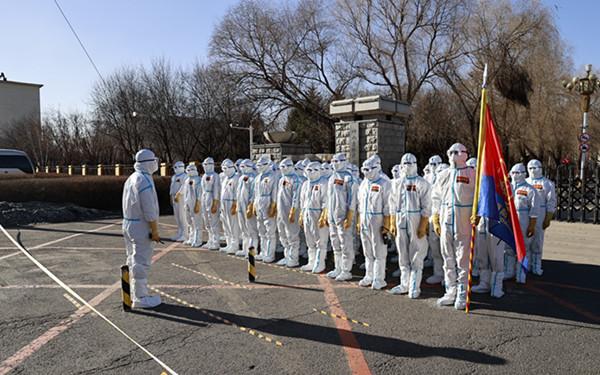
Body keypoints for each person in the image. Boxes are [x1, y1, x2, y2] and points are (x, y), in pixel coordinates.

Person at [431, 143, 476, 309]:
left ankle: (462, 294)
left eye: (458, 152)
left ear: (465, 154)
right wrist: (435, 216)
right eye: (451, 152)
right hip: (446, 221)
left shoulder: (472, 173)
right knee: (447, 258)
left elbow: (480, 196)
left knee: (462, 259)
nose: (454, 155)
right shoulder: (444, 174)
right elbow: (435, 196)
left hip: (463, 222)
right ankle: (450, 291)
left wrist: (476, 212)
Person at [122, 149, 162, 308]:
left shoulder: (133, 178)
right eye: (154, 160)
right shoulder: (143, 180)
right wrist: (155, 229)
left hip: (129, 223)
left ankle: (133, 291)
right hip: (141, 225)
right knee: (141, 260)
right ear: (148, 163)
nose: (156, 163)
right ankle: (140, 297)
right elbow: (149, 208)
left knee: (132, 258)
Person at [389, 153, 431, 298]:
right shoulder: (396, 183)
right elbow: (392, 203)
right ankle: (404, 284)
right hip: (401, 218)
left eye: (410, 163)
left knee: (417, 252)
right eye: (404, 163)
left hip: (415, 218)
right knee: (402, 252)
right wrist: (393, 222)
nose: (407, 166)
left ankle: (414, 286)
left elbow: (427, 205)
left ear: (415, 164)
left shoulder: (422, 183)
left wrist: (423, 224)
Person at [357, 156, 392, 290]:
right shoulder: (364, 183)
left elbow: (388, 205)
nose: (366, 172)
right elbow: (360, 203)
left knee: (379, 251)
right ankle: (369, 275)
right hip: (365, 220)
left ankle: (379, 278)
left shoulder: (384, 183)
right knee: (367, 250)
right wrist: (360, 220)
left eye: (369, 169)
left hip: (378, 221)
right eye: (364, 169)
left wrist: (387, 224)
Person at [325, 153, 358, 281]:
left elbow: (352, 199)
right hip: (332, 216)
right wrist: (326, 214)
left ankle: (346, 269)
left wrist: (349, 215)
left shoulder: (349, 178)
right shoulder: (332, 177)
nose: (335, 163)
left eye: (338, 161)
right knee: (335, 242)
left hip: (343, 216)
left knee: (345, 243)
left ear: (344, 162)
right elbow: (329, 198)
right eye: (333, 161)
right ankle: (337, 267)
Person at [506, 163, 540, 284]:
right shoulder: (508, 188)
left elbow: (534, 210)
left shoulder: (530, 190)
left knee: (524, 247)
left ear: (524, 174)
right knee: (509, 247)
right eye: (513, 172)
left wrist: (532, 225)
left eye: (519, 173)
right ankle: (509, 271)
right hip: (510, 220)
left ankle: (521, 273)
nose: (516, 175)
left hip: (523, 220)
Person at [526, 159, 557, 276]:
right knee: (526, 241)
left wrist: (548, 217)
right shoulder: (525, 182)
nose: (533, 170)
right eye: (531, 168)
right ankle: (526, 265)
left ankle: (536, 265)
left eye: (536, 167)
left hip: (540, 213)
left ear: (541, 168)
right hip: (526, 214)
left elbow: (551, 201)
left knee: (537, 241)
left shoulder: (547, 183)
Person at [299, 162, 329, 273]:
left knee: (320, 240)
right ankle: (311, 262)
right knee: (310, 240)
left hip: (318, 214)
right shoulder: (305, 184)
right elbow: (302, 201)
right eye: (308, 170)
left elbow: (326, 201)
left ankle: (320, 263)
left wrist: (323, 215)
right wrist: (302, 214)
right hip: (307, 214)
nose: (310, 172)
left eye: (313, 170)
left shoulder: (323, 183)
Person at [276, 158, 303, 267]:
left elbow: (296, 197)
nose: (282, 169)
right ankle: (287, 256)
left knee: (292, 234)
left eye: (285, 167)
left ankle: (293, 258)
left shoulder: (296, 180)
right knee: (282, 233)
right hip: (281, 210)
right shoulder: (281, 179)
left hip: (290, 211)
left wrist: (293, 210)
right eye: (281, 167)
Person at [471, 218, 505, 297]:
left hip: (497, 220)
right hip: (482, 221)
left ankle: (497, 287)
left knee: (496, 255)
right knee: (482, 254)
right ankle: (484, 283)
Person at [253, 155, 278, 262]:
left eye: (261, 165)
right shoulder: (258, 177)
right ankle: (263, 252)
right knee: (261, 230)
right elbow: (255, 192)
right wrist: (254, 204)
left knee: (270, 230)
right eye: (258, 165)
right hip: (259, 203)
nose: (259, 167)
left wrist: (273, 205)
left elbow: (275, 192)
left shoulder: (273, 177)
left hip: (267, 202)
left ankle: (270, 254)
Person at [424, 155, 444, 285]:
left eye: (436, 164)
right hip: (432, 215)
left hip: (446, 216)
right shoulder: (426, 179)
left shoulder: (447, 176)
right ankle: (438, 273)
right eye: (431, 164)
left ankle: (450, 277)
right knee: (435, 246)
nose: (433, 166)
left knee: (447, 249)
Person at [236, 159, 259, 257]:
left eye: (244, 166)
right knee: (244, 229)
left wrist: (251, 205)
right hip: (241, 206)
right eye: (241, 166)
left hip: (248, 206)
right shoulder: (241, 178)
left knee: (251, 230)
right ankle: (245, 249)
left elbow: (253, 194)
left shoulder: (253, 178)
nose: (242, 168)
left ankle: (252, 251)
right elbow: (238, 193)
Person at [220, 159, 241, 254]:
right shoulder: (225, 178)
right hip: (224, 204)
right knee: (226, 225)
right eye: (223, 168)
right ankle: (229, 243)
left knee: (233, 225)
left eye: (227, 168)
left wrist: (235, 204)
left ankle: (234, 244)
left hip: (231, 203)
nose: (225, 170)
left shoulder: (236, 178)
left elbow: (237, 193)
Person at [201, 157, 221, 250]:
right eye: (204, 164)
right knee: (207, 221)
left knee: (213, 221)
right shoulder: (204, 176)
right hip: (204, 197)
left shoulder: (215, 176)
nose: (205, 166)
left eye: (207, 164)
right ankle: (210, 240)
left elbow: (216, 190)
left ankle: (215, 241)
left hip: (211, 197)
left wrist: (215, 203)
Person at [182, 163, 203, 247]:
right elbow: (185, 192)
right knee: (189, 221)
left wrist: (198, 203)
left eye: (192, 170)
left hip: (195, 203)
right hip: (187, 203)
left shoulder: (198, 180)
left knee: (196, 221)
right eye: (188, 170)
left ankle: (198, 239)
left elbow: (199, 192)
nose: (189, 171)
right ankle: (191, 238)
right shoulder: (187, 180)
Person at [169, 161, 187, 241]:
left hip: (181, 198)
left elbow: (184, 186)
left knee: (182, 216)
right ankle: (180, 232)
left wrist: (179, 194)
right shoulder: (174, 177)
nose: (175, 169)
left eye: (177, 167)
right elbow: (171, 187)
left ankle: (185, 234)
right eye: (174, 168)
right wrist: (171, 196)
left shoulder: (184, 176)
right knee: (177, 217)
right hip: (174, 198)